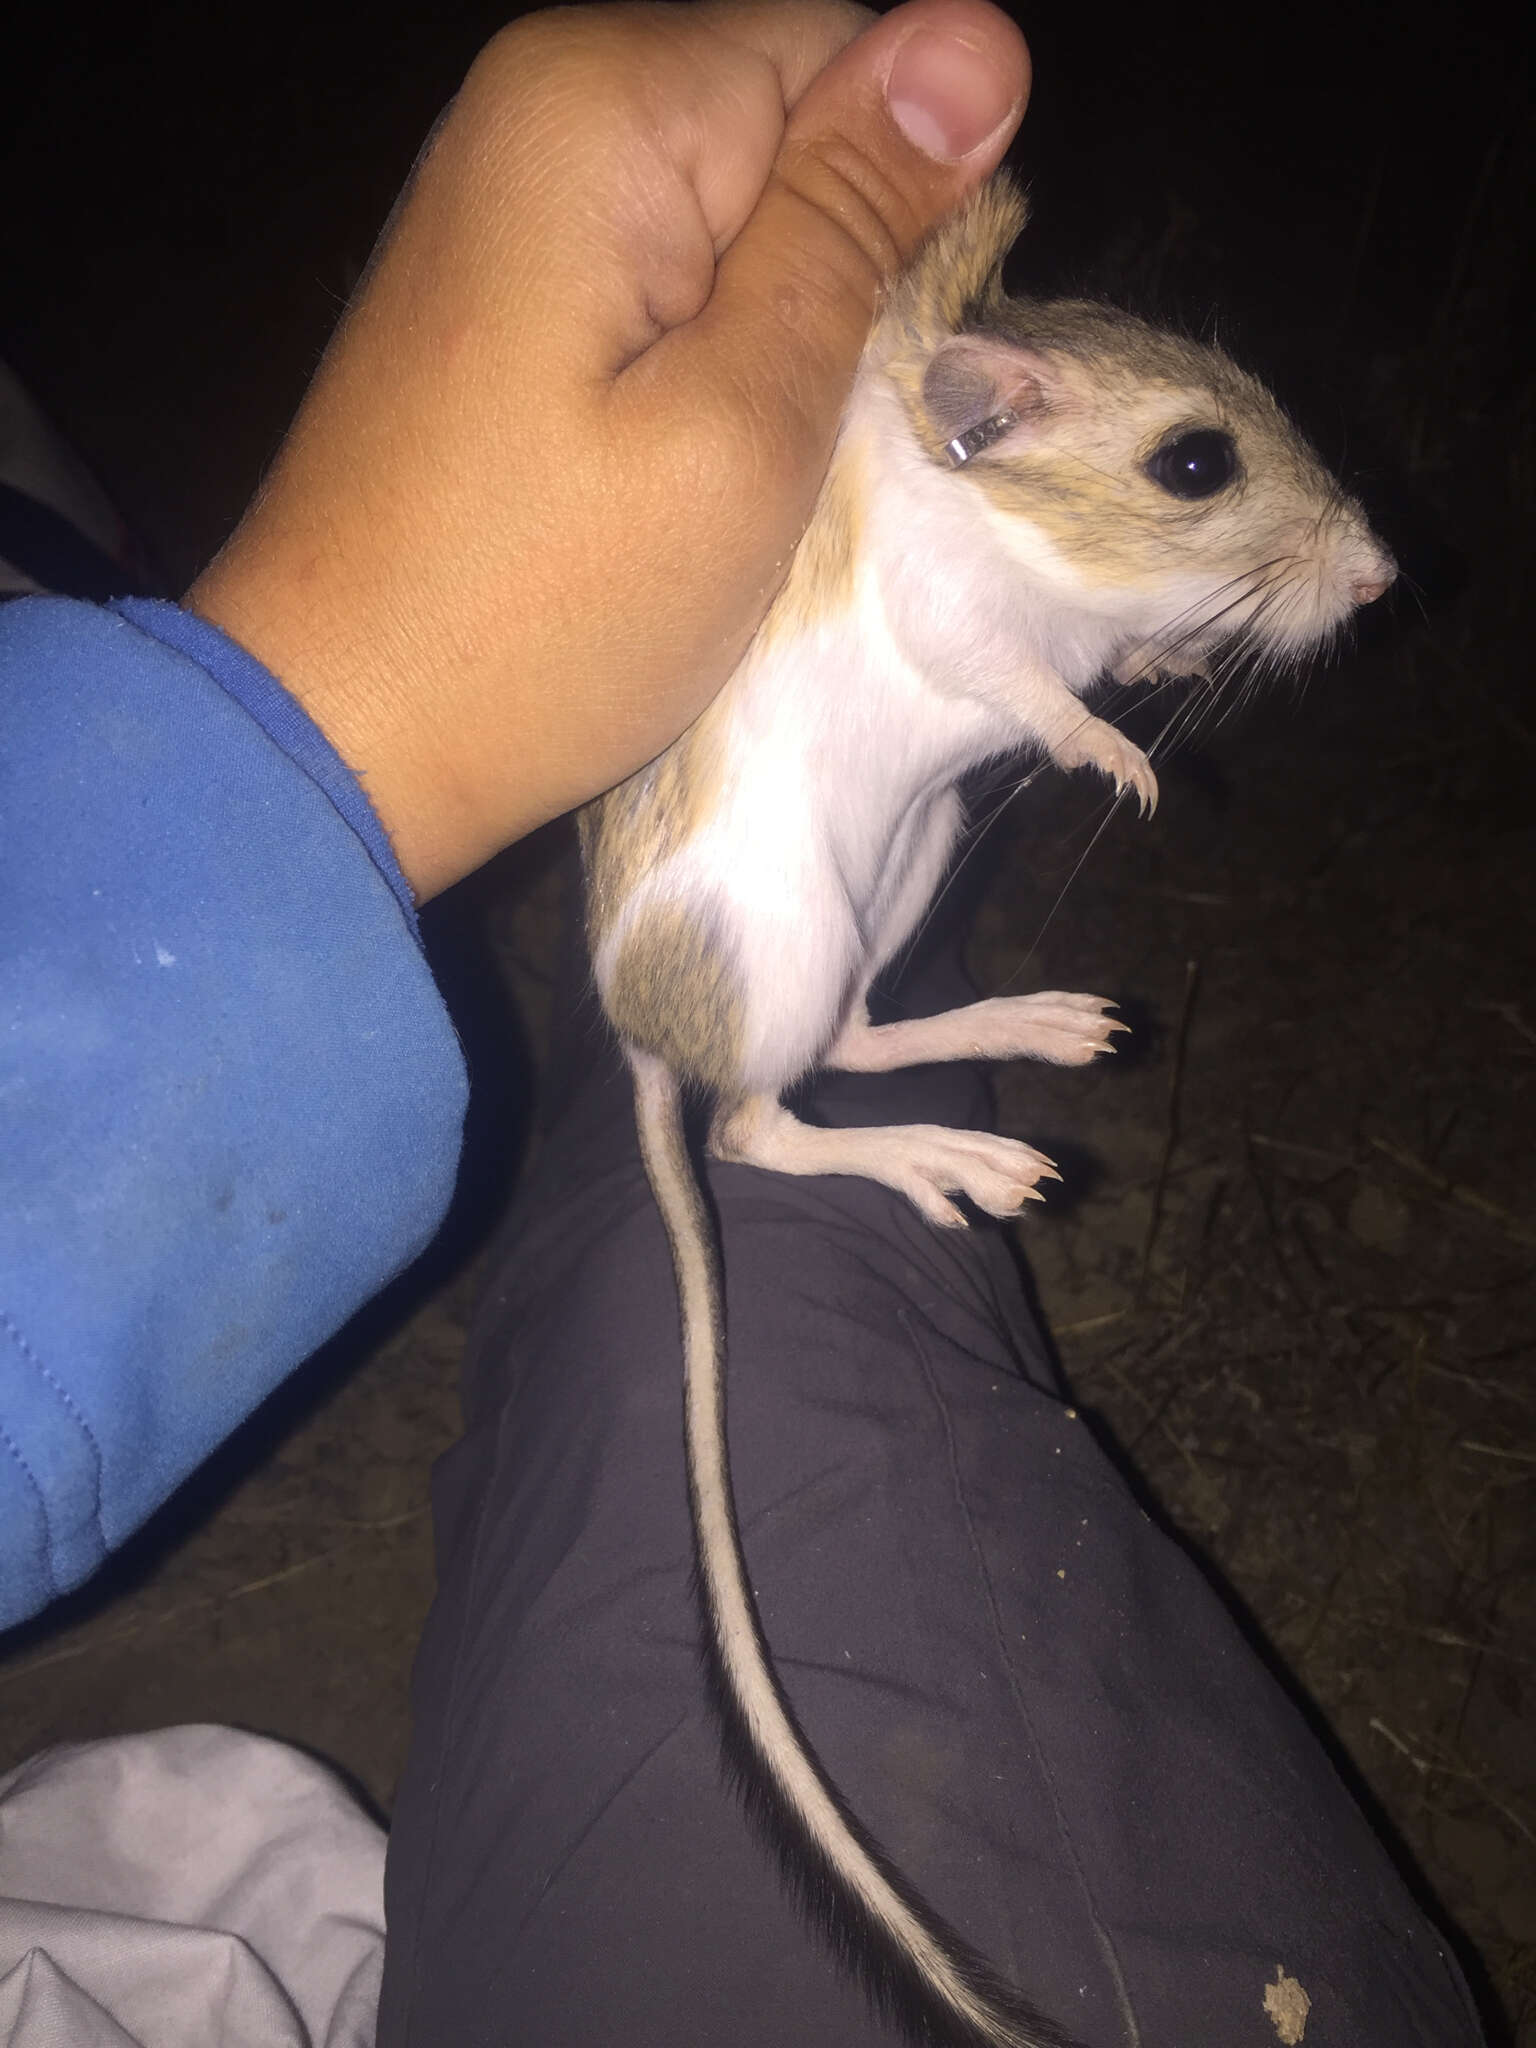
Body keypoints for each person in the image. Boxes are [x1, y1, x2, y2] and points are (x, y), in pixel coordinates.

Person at [0, 3, 1488, 2043]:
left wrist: (1063, 699)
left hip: (799, 908)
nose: (1332, 539)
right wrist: (1064, 713)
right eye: (1202, 468)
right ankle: (797, 1123)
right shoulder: (934, 488)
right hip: (706, 958)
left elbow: (964, 667)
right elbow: (970, 643)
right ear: (991, 415)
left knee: (876, 896)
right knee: (823, 935)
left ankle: (854, 1060)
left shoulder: (959, 467)